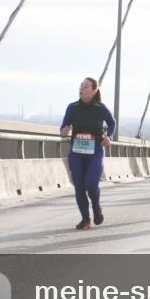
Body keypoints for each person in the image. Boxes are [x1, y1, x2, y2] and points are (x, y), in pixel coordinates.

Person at [60, 77, 116, 229]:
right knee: (79, 186)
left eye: (86, 86)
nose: (82, 88)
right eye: (81, 86)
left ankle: (96, 207)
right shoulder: (73, 107)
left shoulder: (100, 108)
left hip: (95, 150)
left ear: (94, 91)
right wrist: (64, 131)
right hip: (77, 152)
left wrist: (108, 136)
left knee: (91, 184)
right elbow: (64, 127)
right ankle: (85, 219)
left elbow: (112, 123)